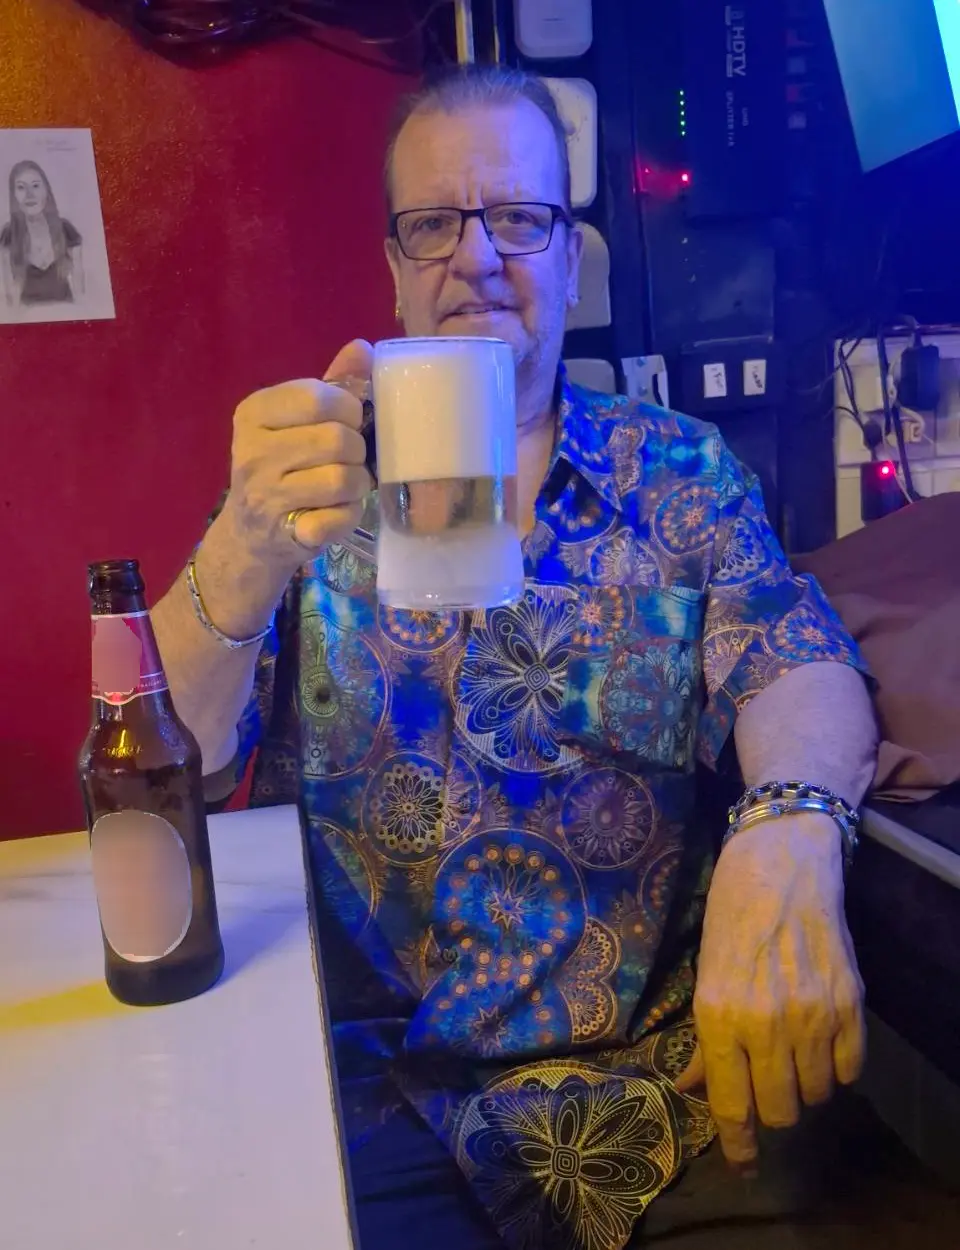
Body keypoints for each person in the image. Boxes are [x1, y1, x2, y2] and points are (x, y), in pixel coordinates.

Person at [152, 66, 880, 1250]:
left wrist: (791, 828)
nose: (476, 256)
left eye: (519, 218)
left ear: (570, 251)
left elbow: (794, 653)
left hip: (637, 1111)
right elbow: (169, 749)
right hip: (354, 1101)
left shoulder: (676, 472)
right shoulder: (313, 493)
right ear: (393, 264)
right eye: (434, 222)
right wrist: (241, 543)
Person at [0, 160, 84, 308]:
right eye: (21, 188)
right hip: (28, 323)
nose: (29, 195)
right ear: (13, 195)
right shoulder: (8, 236)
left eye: (35, 186)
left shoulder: (67, 230)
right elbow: (11, 300)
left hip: (67, 316)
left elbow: (81, 294)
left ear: (46, 191)